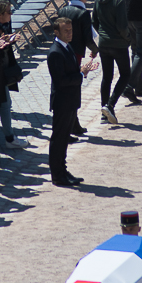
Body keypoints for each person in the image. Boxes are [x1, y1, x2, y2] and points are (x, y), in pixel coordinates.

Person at [47, 18, 96, 186]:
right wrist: (81, 74)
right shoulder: (55, 52)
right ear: (56, 32)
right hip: (62, 102)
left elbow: (72, 73)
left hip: (70, 101)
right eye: (66, 31)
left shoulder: (67, 47)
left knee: (64, 139)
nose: (70, 33)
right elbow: (61, 81)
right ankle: (57, 175)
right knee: (59, 139)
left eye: (71, 30)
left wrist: (84, 71)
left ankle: (63, 170)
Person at [93, 0, 134, 124]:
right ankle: (110, 105)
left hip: (103, 44)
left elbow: (94, 22)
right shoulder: (119, 1)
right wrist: (128, 39)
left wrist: (103, 35)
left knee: (107, 77)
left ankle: (104, 113)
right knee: (125, 74)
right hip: (118, 44)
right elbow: (123, 27)